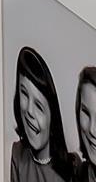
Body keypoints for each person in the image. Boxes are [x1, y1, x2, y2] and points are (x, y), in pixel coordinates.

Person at [7, 48, 72, 182]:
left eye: (38, 105)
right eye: (24, 94)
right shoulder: (17, 154)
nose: (29, 111)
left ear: (52, 118)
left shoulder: (73, 168)